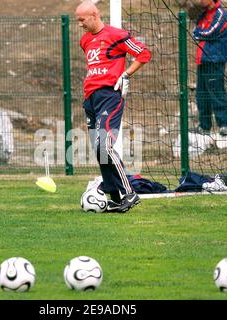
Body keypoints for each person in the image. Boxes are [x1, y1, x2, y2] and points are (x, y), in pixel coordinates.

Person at [75, 1, 151, 213]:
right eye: (77, 21)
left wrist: (125, 75)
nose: (80, 24)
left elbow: (144, 54)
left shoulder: (117, 35)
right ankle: (116, 197)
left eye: (82, 20)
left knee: (105, 146)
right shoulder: (85, 41)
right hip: (90, 99)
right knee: (99, 151)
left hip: (110, 96)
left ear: (94, 15)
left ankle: (130, 193)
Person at [192, 0, 227, 136]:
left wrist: (199, 33)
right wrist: (198, 32)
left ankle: (224, 125)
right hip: (202, 59)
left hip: (214, 60)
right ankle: (204, 126)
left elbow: (211, 32)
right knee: (201, 95)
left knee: (216, 92)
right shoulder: (202, 14)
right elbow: (194, 31)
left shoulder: (221, 14)